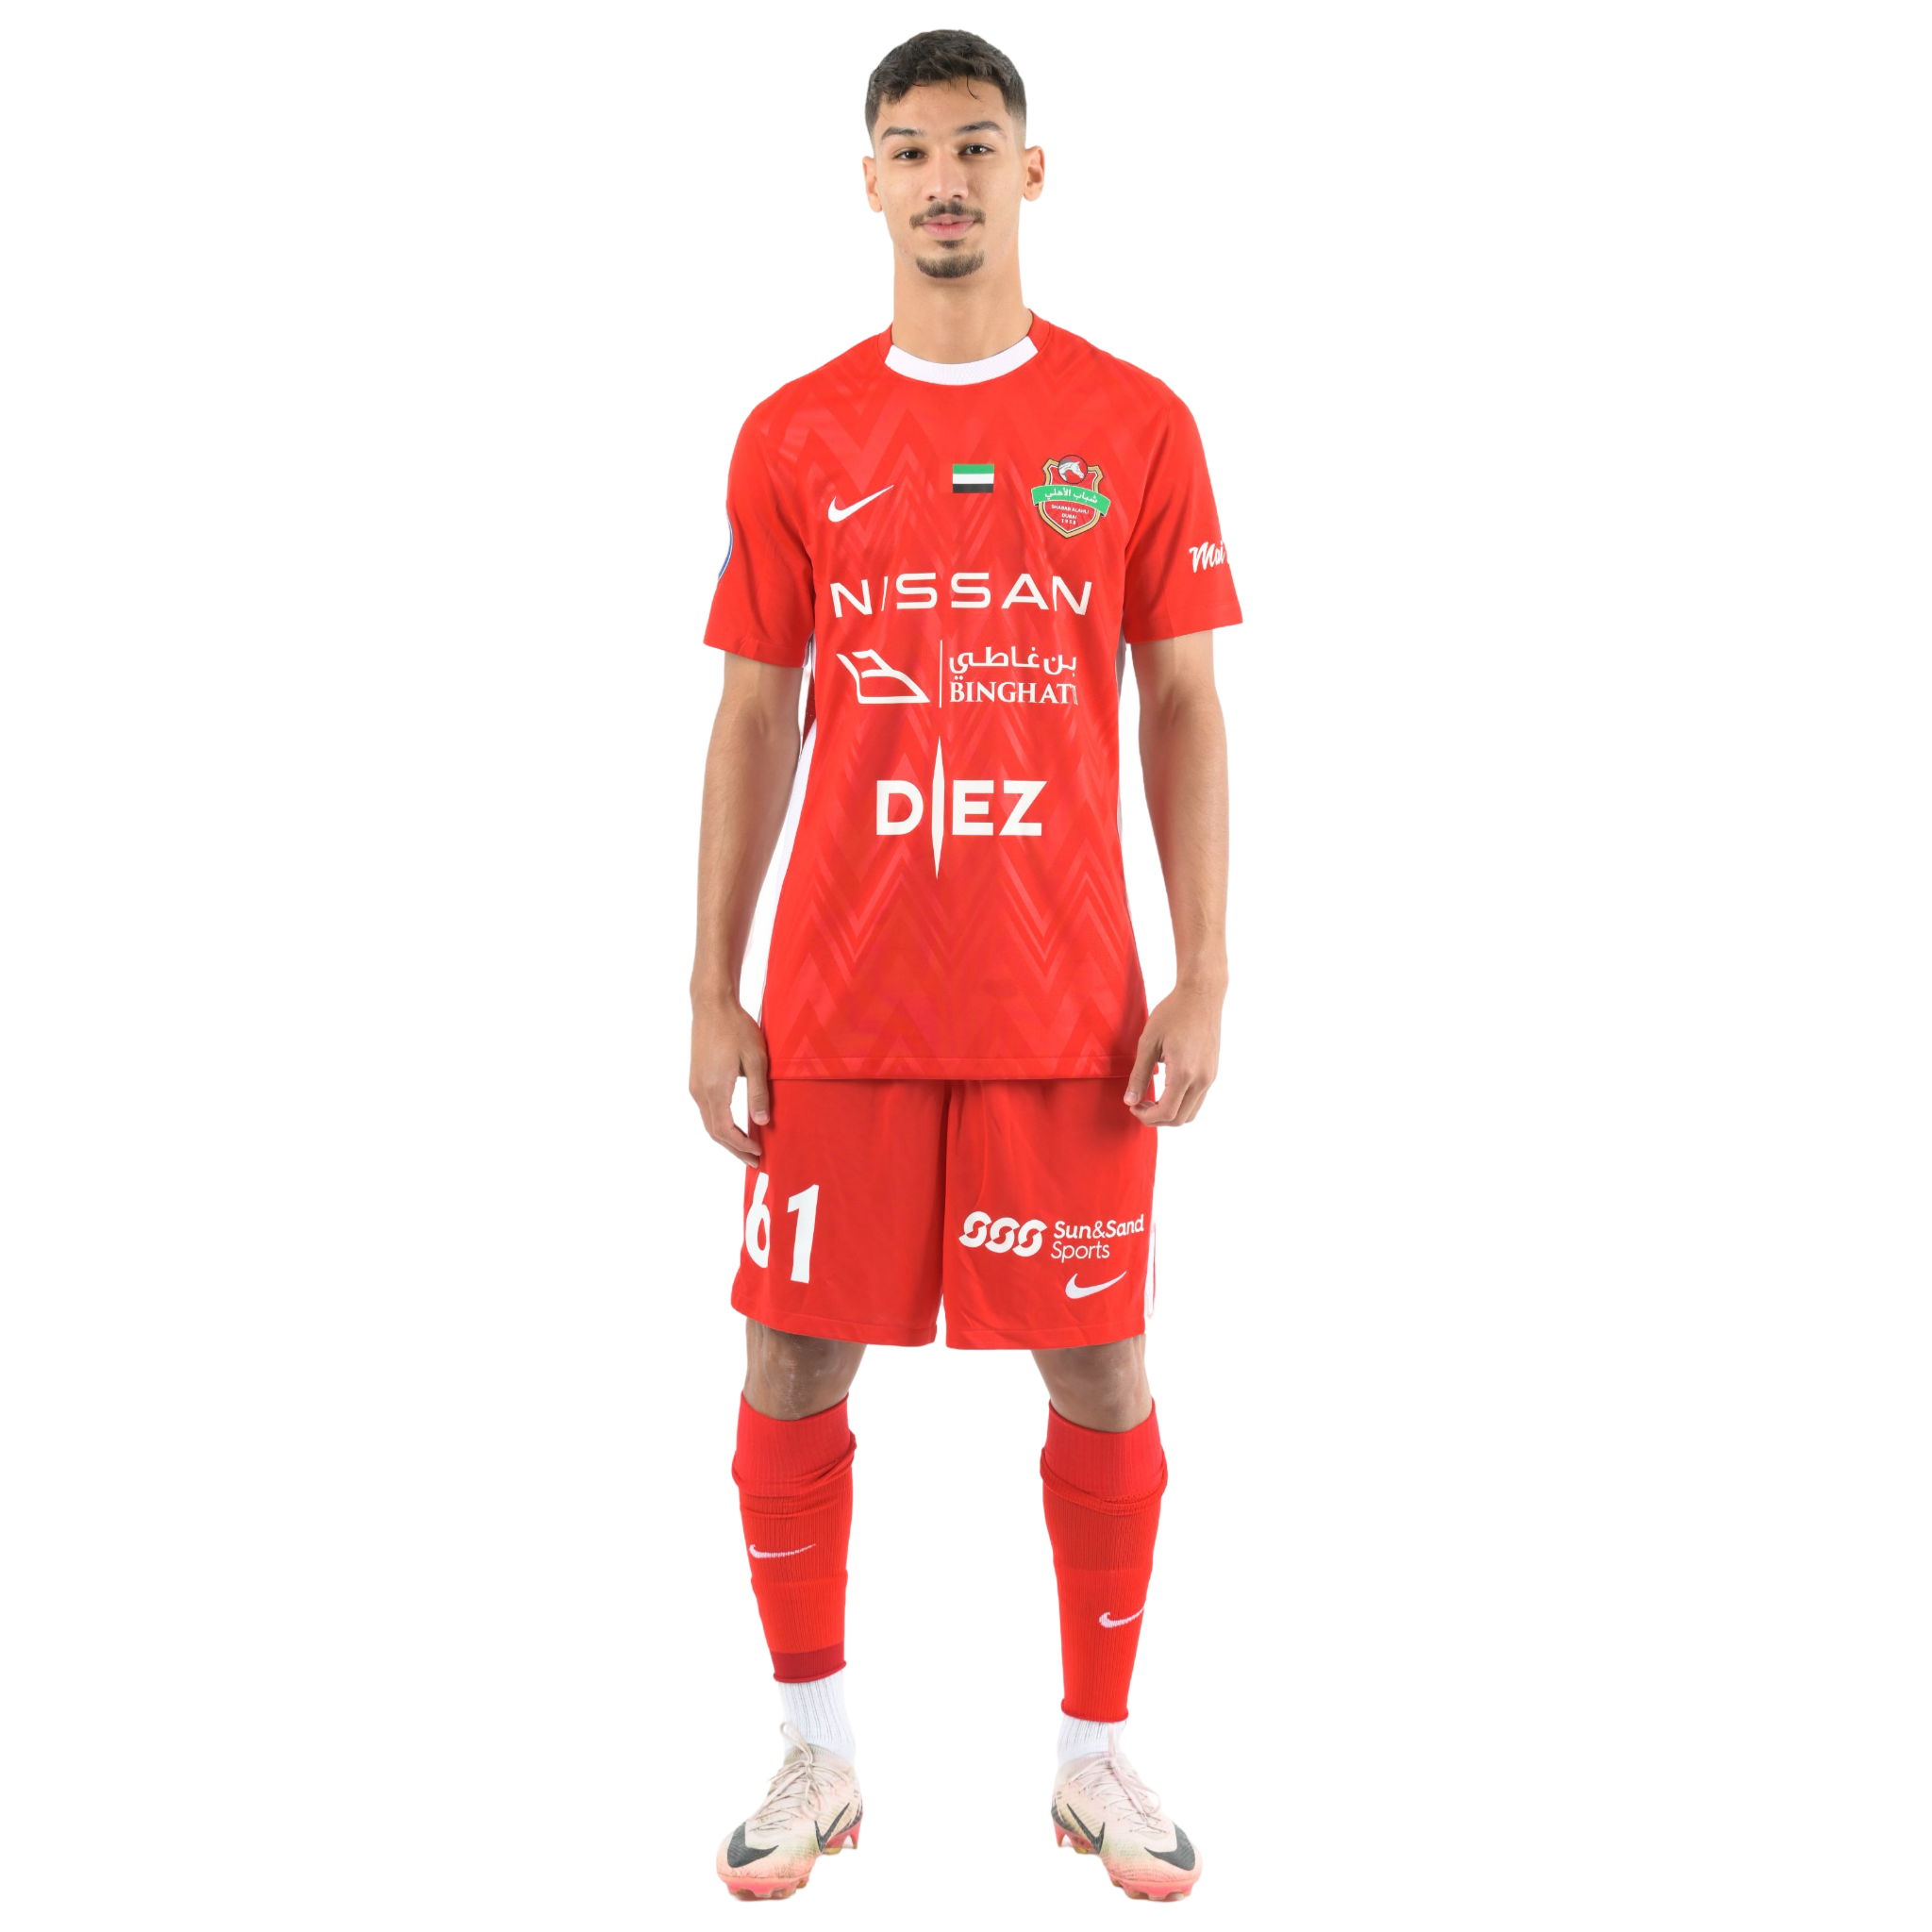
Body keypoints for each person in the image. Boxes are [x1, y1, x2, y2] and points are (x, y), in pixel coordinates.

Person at [688, 26, 1240, 1907]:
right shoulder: (794, 431)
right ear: (867, 183)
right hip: (837, 1001)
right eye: (910, 148)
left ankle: (1095, 1759)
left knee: (1100, 1365)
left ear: (1031, 173)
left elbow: (1182, 704)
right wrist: (712, 986)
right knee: (788, 1355)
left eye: (975, 145)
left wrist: (1203, 970)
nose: (943, 178)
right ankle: (813, 1755)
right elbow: (751, 716)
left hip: (1066, 1004)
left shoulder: (1135, 421)